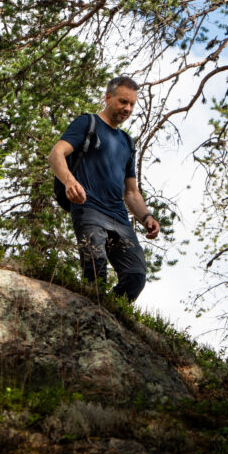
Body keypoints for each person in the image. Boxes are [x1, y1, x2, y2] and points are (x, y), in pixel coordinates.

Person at [47, 76, 160, 300]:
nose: (128, 109)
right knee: (95, 270)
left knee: (135, 277)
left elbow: (131, 192)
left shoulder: (127, 142)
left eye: (132, 104)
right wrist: (69, 181)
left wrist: (146, 216)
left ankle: (104, 311)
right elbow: (56, 154)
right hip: (88, 208)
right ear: (108, 98)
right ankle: (89, 313)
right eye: (123, 102)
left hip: (119, 217)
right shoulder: (87, 123)